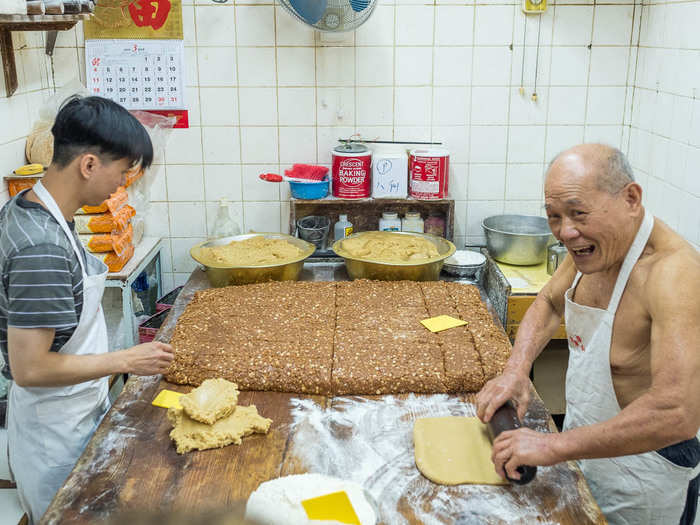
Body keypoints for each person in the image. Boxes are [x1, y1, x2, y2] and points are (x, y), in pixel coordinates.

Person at [476, 144, 700, 525]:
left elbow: (676, 413)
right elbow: (548, 303)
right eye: (554, 217)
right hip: (585, 450)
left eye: (578, 213)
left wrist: (552, 444)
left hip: (645, 476)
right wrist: (516, 368)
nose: (565, 232)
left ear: (631, 198)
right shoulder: (591, 250)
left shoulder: (676, 275)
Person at [0, 96, 174, 524]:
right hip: (55, 437)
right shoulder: (40, 247)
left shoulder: (40, 213)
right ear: (90, 164)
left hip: (74, 413)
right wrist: (127, 359)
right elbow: (31, 368)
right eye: (122, 171)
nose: (123, 185)